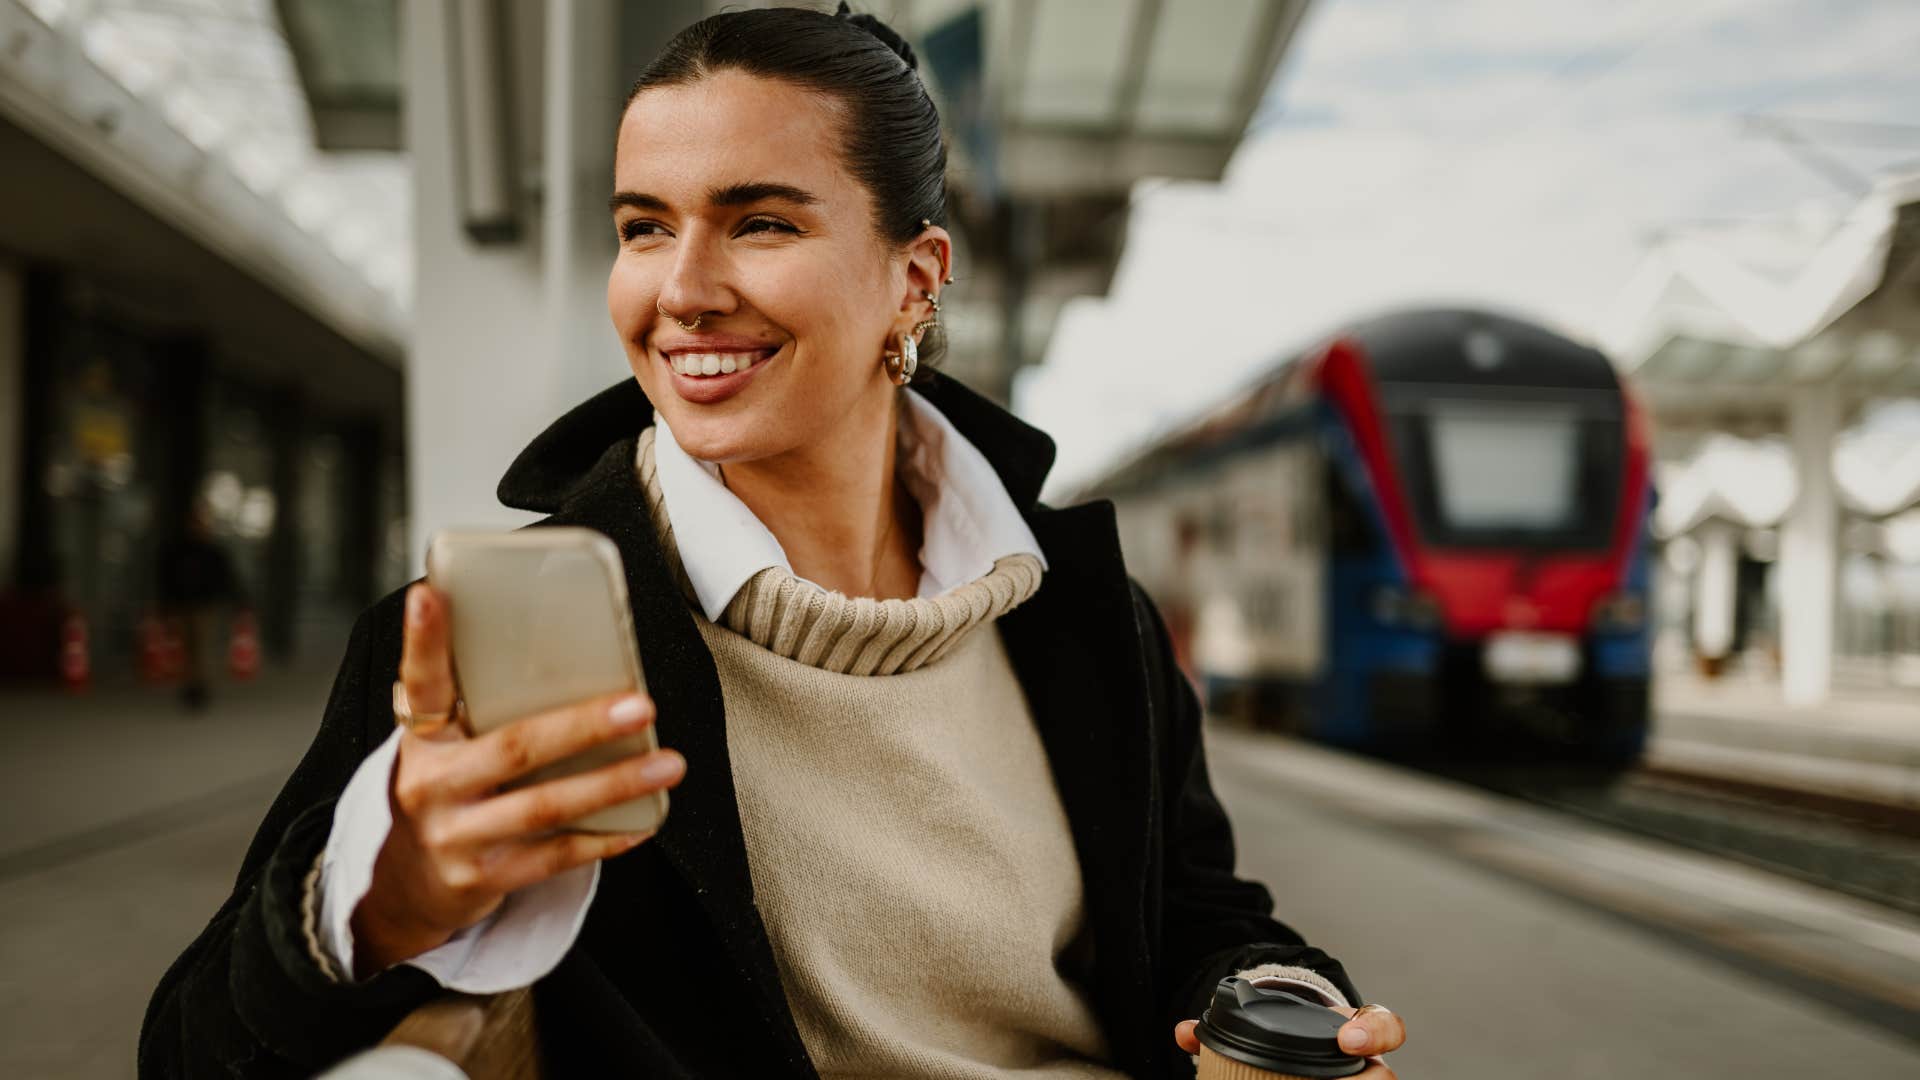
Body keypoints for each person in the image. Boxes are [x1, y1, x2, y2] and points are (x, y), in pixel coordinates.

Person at [139, 7, 1407, 1077]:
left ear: (914, 279)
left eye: (760, 223)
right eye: (644, 225)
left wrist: (1275, 996)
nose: (680, 288)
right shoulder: (480, 642)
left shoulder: (1079, 609)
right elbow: (188, 1051)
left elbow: (1200, 912)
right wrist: (374, 899)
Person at [155, 500, 242, 710]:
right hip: (183, 605)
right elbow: (166, 577)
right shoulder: (178, 550)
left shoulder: (212, 552)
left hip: (206, 606)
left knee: (203, 648)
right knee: (187, 649)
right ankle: (191, 686)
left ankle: (199, 688)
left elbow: (224, 578)